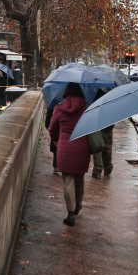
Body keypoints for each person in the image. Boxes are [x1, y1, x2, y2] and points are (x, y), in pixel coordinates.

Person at [48, 83, 89, 226]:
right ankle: (78, 204)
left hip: (65, 146)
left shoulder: (59, 107)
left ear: (66, 92)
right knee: (80, 177)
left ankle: (70, 212)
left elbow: (52, 127)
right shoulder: (86, 107)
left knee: (68, 180)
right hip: (82, 145)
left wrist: (55, 139)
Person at [91, 89, 114, 179]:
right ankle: (107, 167)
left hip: (97, 121)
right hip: (108, 121)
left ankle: (97, 170)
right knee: (107, 146)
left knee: (97, 145)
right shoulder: (112, 92)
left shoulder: (95, 91)